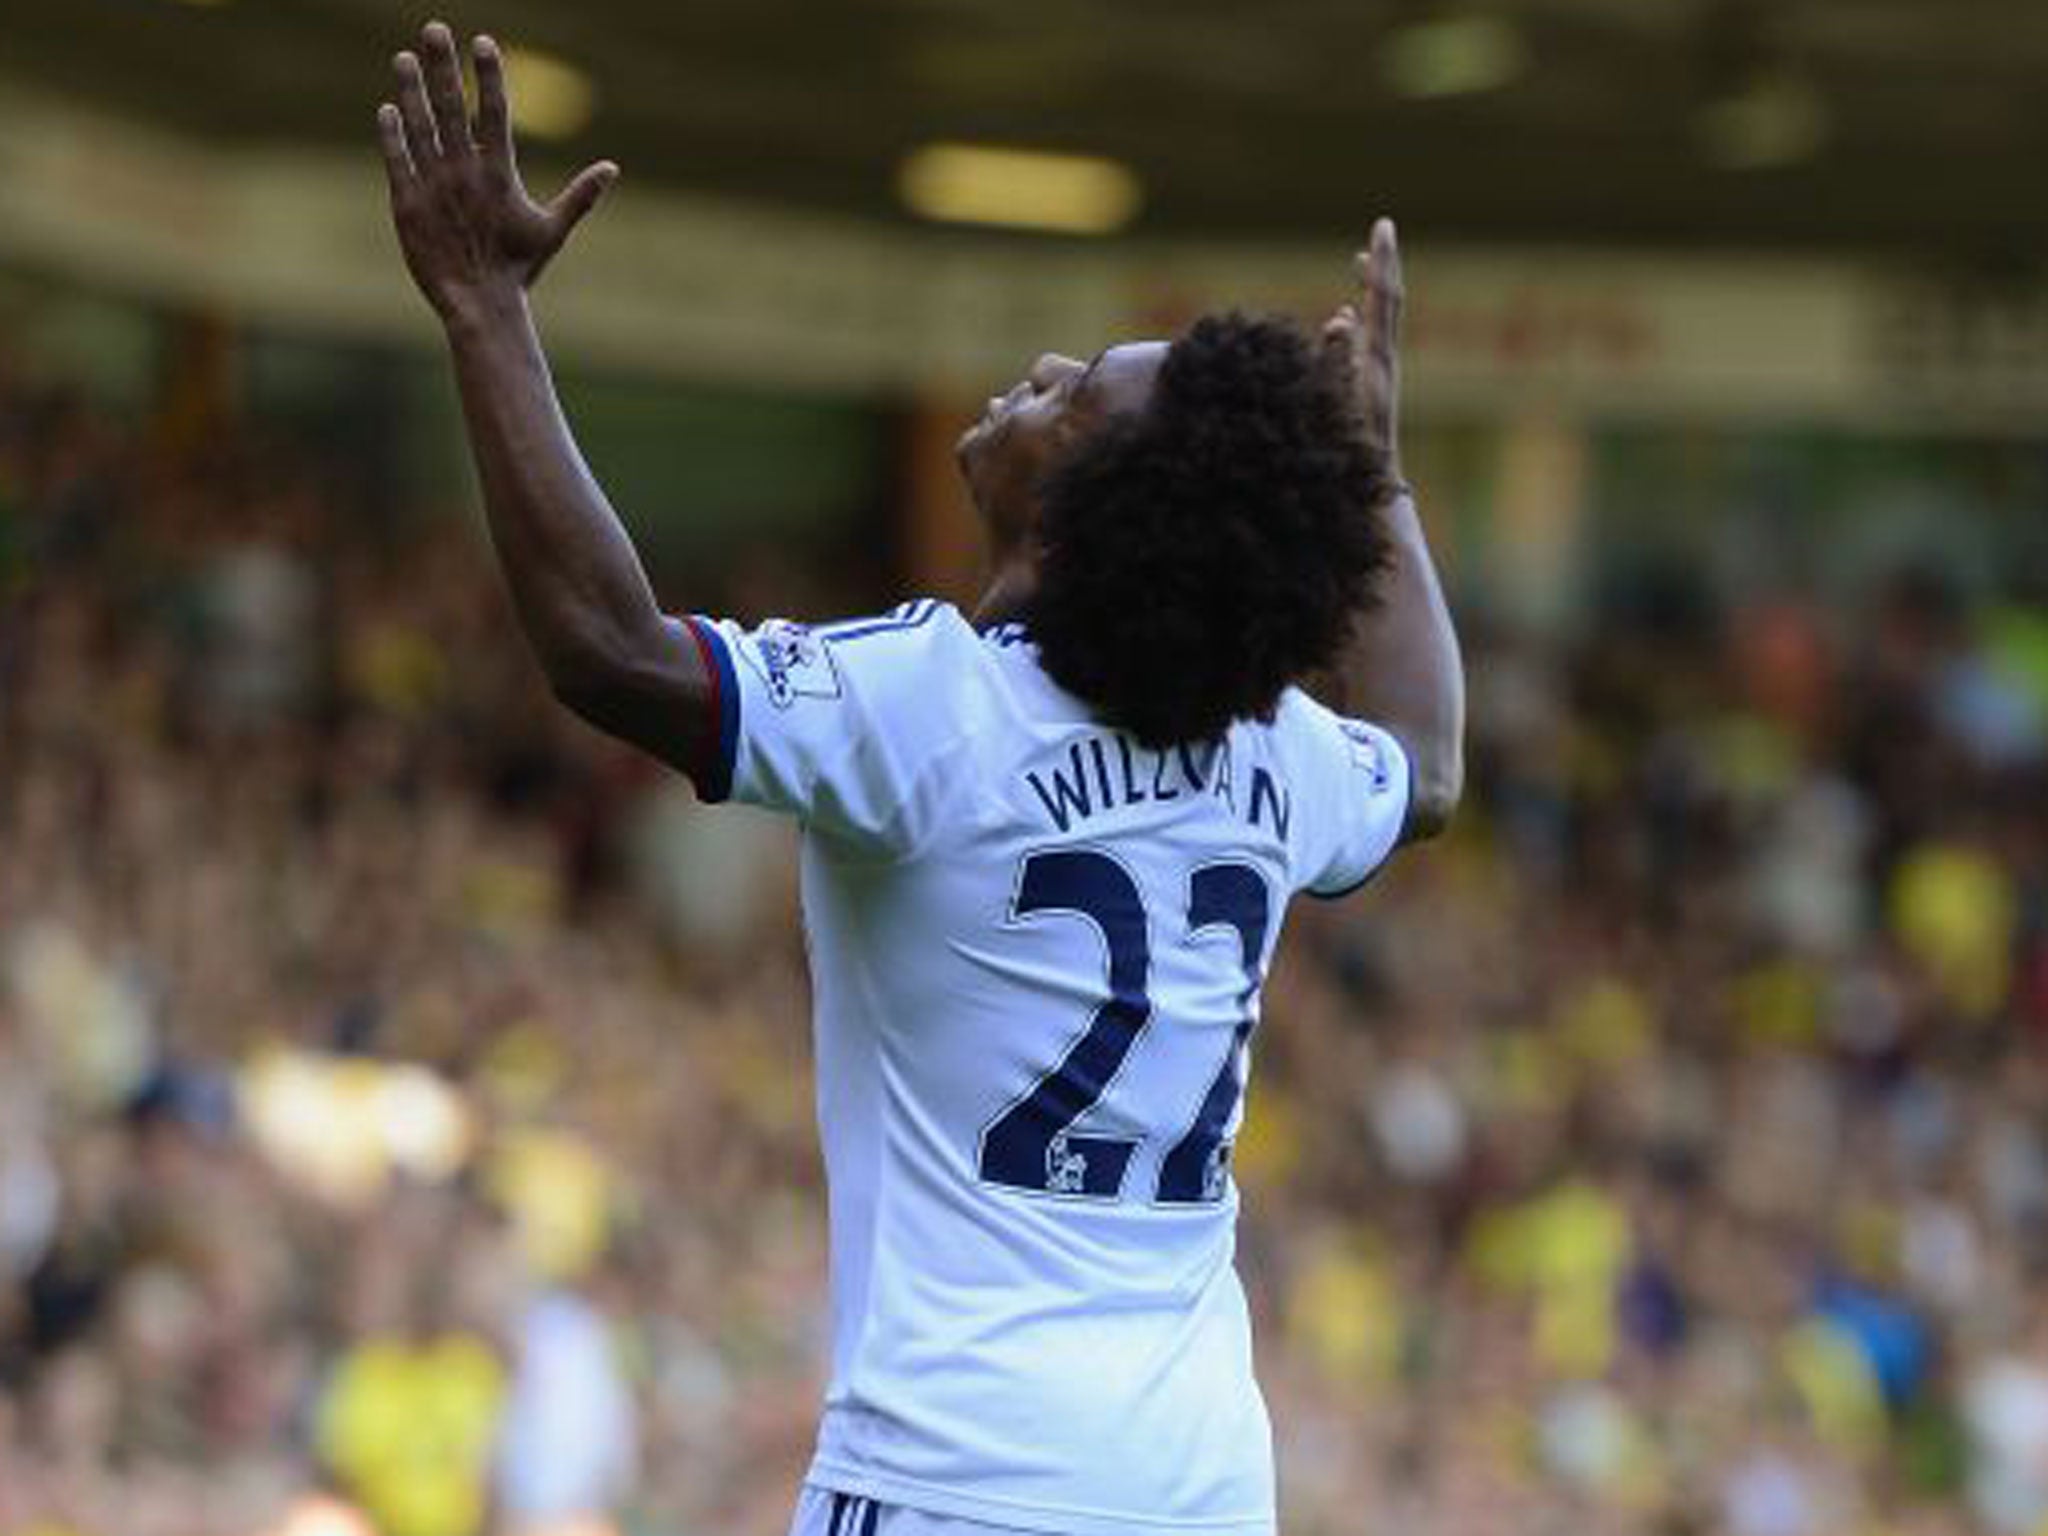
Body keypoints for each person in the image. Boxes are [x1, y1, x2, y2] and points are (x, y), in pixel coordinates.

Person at [375, 21, 1464, 1536]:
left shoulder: (937, 709)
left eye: (1080, 389)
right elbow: (1424, 764)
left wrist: (486, 311)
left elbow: (609, 653)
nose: (1040, 372)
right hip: (1203, 1487)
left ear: (1087, 513)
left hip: (956, 1478)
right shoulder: (1271, 753)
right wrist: (1379, 484)